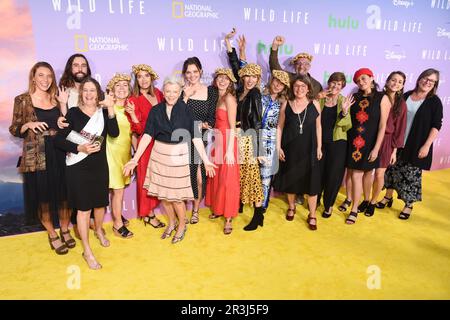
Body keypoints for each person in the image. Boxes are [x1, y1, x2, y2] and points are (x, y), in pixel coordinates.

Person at [123, 77, 216, 244]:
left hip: (179, 157)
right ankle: (172, 223)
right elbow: (147, 135)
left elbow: (195, 137)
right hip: (159, 156)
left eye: (175, 91)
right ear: (163, 92)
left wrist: (206, 161)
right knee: (165, 197)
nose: (171, 95)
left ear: (180, 92)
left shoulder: (188, 111)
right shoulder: (156, 110)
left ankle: (182, 225)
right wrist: (135, 159)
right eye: (168, 91)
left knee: (177, 198)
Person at [9, 61, 73, 255]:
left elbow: (68, 125)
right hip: (37, 155)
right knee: (43, 198)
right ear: (33, 77)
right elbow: (14, 128)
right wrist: (27, 125)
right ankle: (52, 233)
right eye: (41, 75)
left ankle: (64, 228)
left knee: (64, 196)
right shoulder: (22, 100)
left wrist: (63, 106)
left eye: (49, 76)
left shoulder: (57, 98)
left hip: (60, 154)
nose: (45, 80)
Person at [55, 77, 119, 269]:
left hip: (99, 167)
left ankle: (98, 230)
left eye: (93, 90)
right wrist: (80, 148)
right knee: (83, 209)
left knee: (100, 205)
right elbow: (59, 140)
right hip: (78, 166)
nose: (89, 94)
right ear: (81, 93)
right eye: (86, 90)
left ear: (98, 93)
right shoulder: (73, 113)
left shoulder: (102, 113)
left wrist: (111, 108)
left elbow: (114, 133)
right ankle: (87, 251)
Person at [381, 69, 443, 219]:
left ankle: (408, 205)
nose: (427, 82)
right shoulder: (406, 95)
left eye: (432, 81)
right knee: (391, 170)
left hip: (417, 145)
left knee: (411, 175)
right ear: (419, 78)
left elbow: (436, 126)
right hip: (398, 142)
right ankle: (387, 197)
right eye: (425, 78)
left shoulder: (434, 102)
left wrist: (427, 145)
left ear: (435, 84)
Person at [225, 32, 265, 231]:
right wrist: (230, 46)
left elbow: (257, 122)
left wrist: (259, 151)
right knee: (240, 174)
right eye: (247, 76)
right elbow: (236, 68)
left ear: (258, 79)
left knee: (252, 176)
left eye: (253, 76)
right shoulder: (241, 91)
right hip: (238, 137)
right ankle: (240, 204)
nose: (249, 79)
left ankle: (258, 215)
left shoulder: (255, 94)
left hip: (249, 139)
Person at [273, 75, 322, 230]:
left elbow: (318, 127)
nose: (299, 89)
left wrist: (319, 147)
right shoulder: (286, 104)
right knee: (291, 179)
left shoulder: (315, 104)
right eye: (296, 86)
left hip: (310, 149)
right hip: (290, 148)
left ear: (308, 88)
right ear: (292, 88)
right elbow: (279, 127)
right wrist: (278, 147)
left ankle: (312, 214)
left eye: (303, 86)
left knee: (312, 182)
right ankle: (292, 206)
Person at [345, 68, 390, 224]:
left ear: (372, 78)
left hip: (370, 143)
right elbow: (347, 118)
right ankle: (354, 205)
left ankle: (360, 206)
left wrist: (377, 148)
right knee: (354, 174)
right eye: (358, 80)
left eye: (363, 78)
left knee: (365, 174)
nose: (361, 82)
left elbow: (383, 125)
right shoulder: (354, 97)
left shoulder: (382, 98)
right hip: (352, 142)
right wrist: (344, 111)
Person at [181, 57, 218, 224]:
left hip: (201, 139)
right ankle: (180, 213)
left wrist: (206, 124)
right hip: (182, 139)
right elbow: (177, 116)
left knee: (199, 178)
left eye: (195, 71)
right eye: (188, 72)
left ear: (201, 72)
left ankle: (195, 210)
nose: (192, 75)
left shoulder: (211, 91)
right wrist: (185, 97)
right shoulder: (181, 91)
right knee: (183, 177)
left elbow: (211, 119)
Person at [128, 64, 165, 228]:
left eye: (146, 76)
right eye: (140, 76)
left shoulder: (159, 94)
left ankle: (154, 210)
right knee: (146, 180)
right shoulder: (133, 99)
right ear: (136, 79)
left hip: (162, 143)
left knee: (159, 179)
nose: (143, 80)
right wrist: (132, 115)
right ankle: (148, 214)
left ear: (152, 78)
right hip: (146, 144)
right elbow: (136, 129)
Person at [365, 71, 407, 216]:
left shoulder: (401, 104)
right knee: (367, 172)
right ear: (387, 81)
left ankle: (373, 201)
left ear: (402, 86)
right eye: (393, 80)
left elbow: (400, 128)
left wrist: (394, 150)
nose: (396, 83)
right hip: (371, 138)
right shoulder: (376, 97)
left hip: (387, 142)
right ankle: (365, 199)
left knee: (379, 174)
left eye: (400, 82)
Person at [205, 68, 240, 234]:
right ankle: (218, 209)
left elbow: (233, 126)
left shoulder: (229, 98)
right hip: (218, 140)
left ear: (230, 81)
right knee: (218, 177)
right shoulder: (217, 97)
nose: (222, 81)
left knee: (228, 180)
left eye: (226, 78)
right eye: (220, 77)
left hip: (228, 142)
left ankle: (228, 218)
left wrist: (230, 151)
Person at [317, 72, 353, 218]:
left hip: (338, 143)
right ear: (329, 83)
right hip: (320, 142)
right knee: (318, 173)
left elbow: (347, 125)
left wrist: (344, 112)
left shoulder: (344, 101)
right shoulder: (320, 99)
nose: (335, 86)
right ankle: (316, 198)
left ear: (342, 87)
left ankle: (329, 205)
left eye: (339, 84)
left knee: (333, 175)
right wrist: (316, 98)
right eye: (333, 82)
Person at [105, 74, 135, 238]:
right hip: (111, 153)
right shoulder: (106, 108)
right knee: (118, 190)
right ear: (112, 91)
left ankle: (117, 215)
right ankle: (117, 224)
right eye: (118, 86)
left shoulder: (131, 108)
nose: (122, 88)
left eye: (125, 85)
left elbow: (134, 133)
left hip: (125, 154)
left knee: (119, 189)